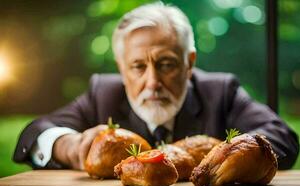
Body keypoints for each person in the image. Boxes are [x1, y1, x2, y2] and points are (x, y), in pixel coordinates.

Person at [13, 2, 299, 170]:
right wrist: (70, 147)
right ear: (122, 69)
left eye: (166, 64)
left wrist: (226, 157)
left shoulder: (220, 91)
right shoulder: (103, 93)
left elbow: (281, 136)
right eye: (138, 66)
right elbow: (36, 132)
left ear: (189, 63)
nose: (153, 82)